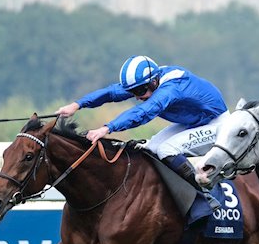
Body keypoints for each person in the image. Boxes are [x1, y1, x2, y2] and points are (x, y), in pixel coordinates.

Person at [56, 55, 228, 208]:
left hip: (217, 123)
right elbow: (110, 93)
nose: (137, 97)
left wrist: (107, 128)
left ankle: (205, 196)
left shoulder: (170, 88)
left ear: (153, 82)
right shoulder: (148, 80)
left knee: (166, 149)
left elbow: (144, 112)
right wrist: (77, 105)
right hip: (194, 122)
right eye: (133, 92)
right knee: (151, 149)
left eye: (139, 91)